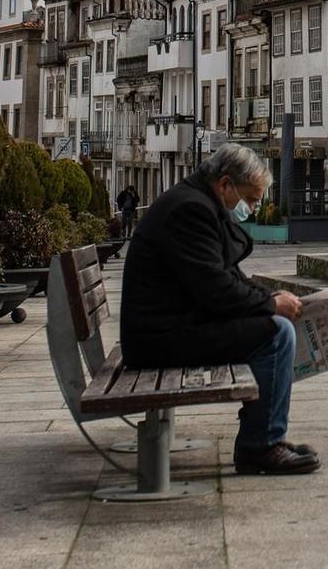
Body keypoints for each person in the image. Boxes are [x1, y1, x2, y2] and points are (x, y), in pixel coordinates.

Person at [119, 145, 317, 475]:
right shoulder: (190, 211)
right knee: (277, 335)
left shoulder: (195, 202)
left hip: (167, 327)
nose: (252, 210)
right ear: (226, 185)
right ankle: (261, 445)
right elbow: (216, 290)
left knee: (272, 324)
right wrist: (269, 305)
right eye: (252, 200)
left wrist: (269, 298)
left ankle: (266, 435)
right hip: (159, 339)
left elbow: (225, 277)